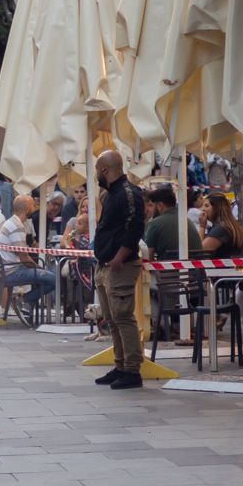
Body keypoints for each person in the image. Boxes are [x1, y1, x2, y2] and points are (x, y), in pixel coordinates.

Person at [92, 149, 146, 390]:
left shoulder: (128, 193)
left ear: (104, 169)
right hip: (106, 265)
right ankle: (121, 365)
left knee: (123, 318)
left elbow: (135, 228)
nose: (96, 174)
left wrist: (118, 258)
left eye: (97, 170)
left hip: (120, 266)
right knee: (112, 320)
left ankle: (132, 370)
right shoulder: (112, 194)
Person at [0, 195, 55, 304]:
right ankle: (23, 301)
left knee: (43, 276)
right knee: (53, 279)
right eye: (33, 205)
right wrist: (40, 268)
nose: (35, 208)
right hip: (13, 272)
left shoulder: (10, 222)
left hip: (7, 270)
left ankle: (26, 304)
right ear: (27, 208)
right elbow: (24, 258)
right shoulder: (17, 226)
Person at [199, 192, 243, 256]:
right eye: (202, 206)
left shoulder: (221, 229)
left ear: (217, 208)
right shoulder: (226, 226)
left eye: (206, 206)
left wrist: (202, 226)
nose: (202, 209)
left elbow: (200, 251)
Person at [143, 186, 181, 260]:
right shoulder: (185, 220)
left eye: (152, 205)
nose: (148, 209)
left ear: (160, 206)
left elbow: (148, 257)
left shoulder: (156, 223)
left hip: (170, 266)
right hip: (195, 265)